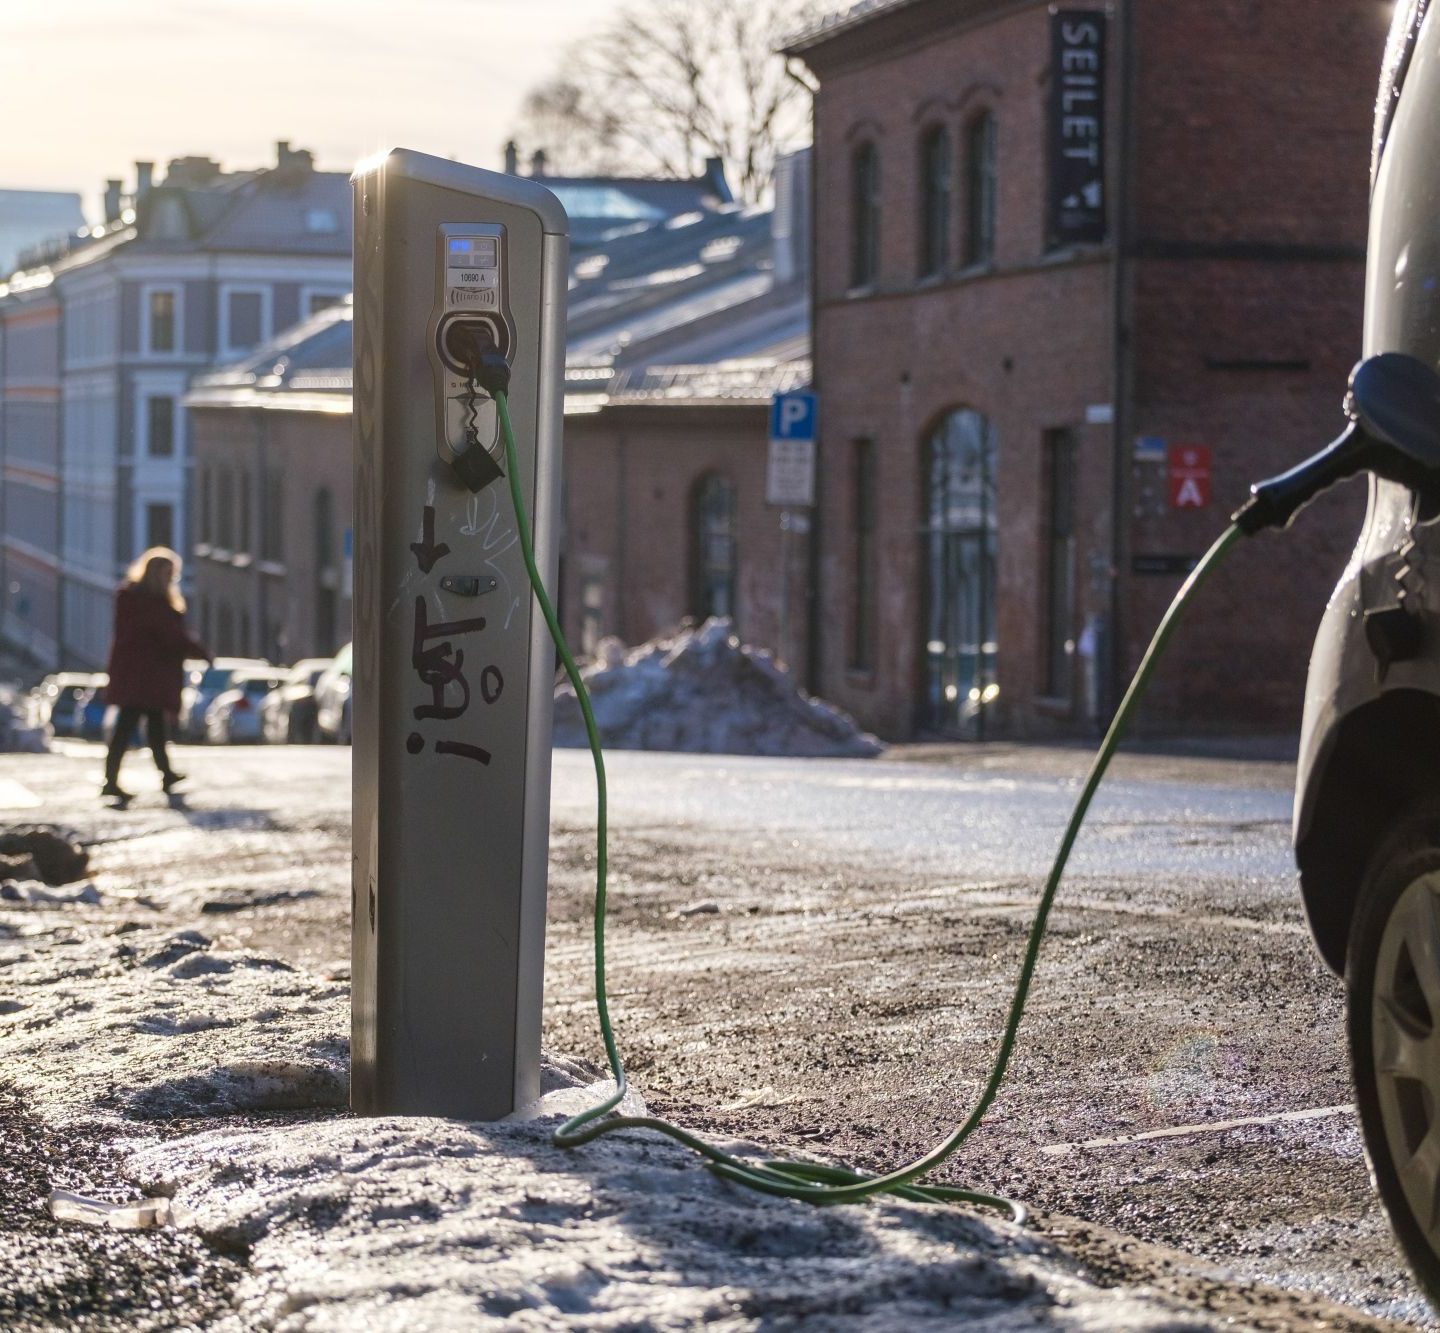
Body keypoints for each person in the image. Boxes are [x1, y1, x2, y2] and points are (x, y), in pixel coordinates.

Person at [101, 547, 210, 801]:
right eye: (168, 574)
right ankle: (114, 780)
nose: (170, 579)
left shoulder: (132, 598)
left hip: (140, 675)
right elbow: (170, 637)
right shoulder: (151, 603)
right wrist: (200, 652)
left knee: (150, 727)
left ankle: (160, 774)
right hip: (145, 676)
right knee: (133, 727)